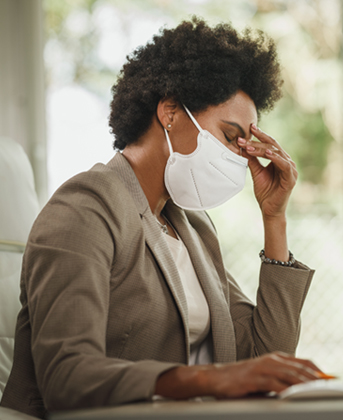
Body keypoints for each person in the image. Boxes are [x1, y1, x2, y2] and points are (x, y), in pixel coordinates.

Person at [0, 18, 320, 419]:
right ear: (170, 111)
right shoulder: (85, 208)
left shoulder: (194, 228)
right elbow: (67, 377)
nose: (241, 156)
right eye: (229, 136)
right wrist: (205, 381)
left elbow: (264, 359)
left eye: (245, 145)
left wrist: (275, 219)